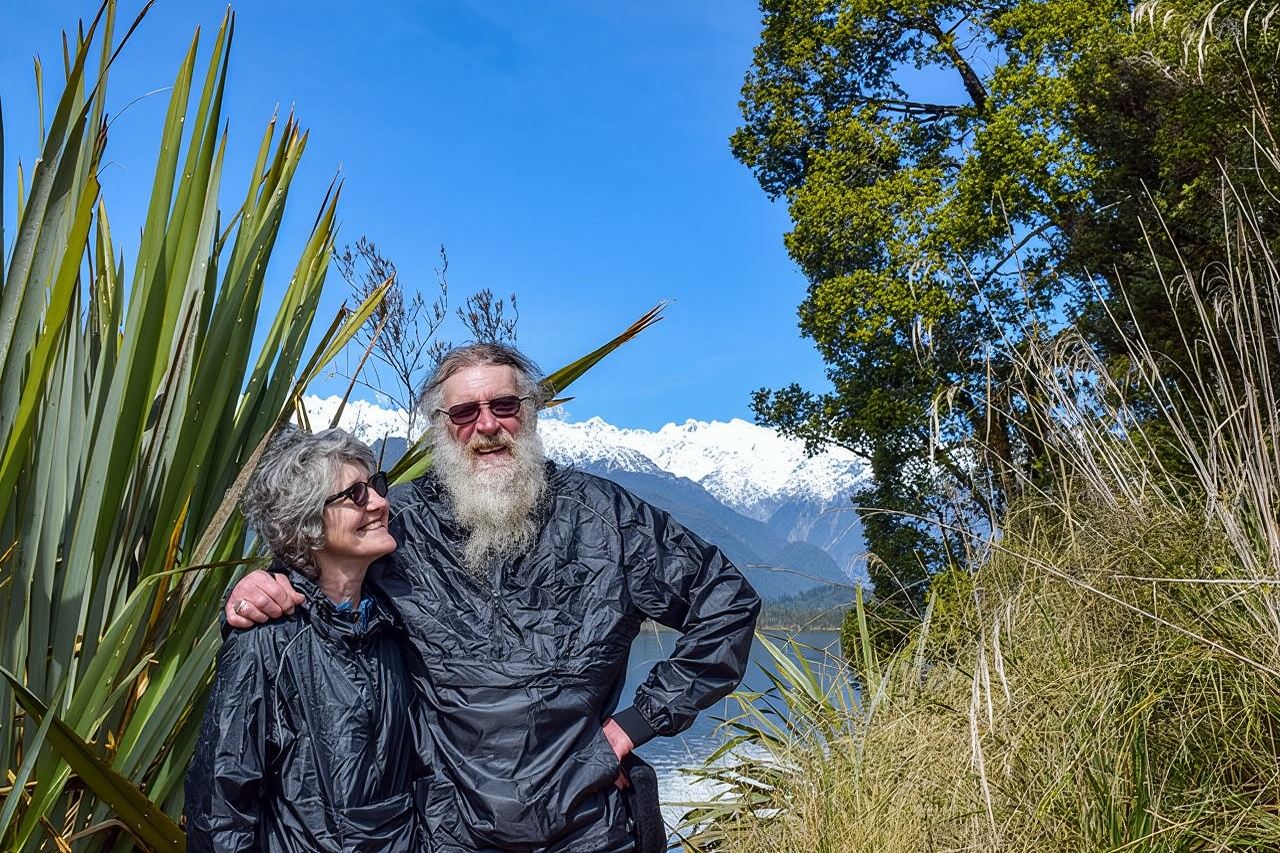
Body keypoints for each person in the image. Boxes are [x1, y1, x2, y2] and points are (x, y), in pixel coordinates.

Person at [225, 343, 761, 853]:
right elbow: (321, 572)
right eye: (464, 413)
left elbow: (727, 602)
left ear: (531, 412)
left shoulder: (606, 518)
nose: (486, 425)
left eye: (504, 405)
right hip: (449, 829)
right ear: (441, 426)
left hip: (589, 823)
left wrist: (634, 725)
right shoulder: (397, 523)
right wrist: (258, 587)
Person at [186, 428, 424, 852]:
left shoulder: (393, 625)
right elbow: (222, 805)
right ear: (308, 523)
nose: (379, 503)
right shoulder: (267, 641)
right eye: (356, 495)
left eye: (376, 486)